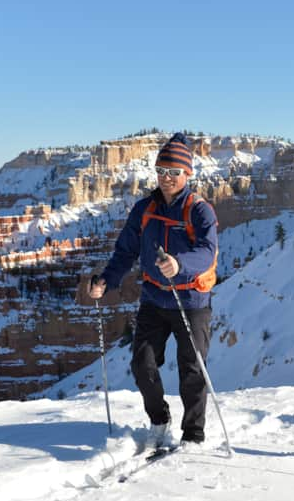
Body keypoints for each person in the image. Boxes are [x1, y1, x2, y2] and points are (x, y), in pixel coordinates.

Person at [89, 132, 218, 450]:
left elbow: (208, 251)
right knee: (142, 363)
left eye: (174, 172)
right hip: (154, 298)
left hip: (191, 300)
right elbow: (125, 251)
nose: (167, 178)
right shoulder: (144, 208)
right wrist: (107, 280)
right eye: (161, 171)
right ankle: (159, 421)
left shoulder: (199, 210)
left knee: (192, 370)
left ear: (187, 174)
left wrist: (179, 264)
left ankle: (193, 434)